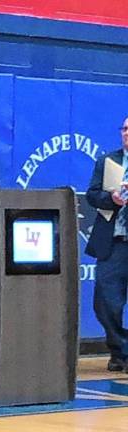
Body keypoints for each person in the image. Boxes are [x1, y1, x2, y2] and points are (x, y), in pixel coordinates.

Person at [85, 116, 128, 373]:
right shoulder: (108, 161)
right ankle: (119, 348)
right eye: (124, 128)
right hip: (114, 242)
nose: (126, 133)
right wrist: (111, 198)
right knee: (106, 301)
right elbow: (91, 195)